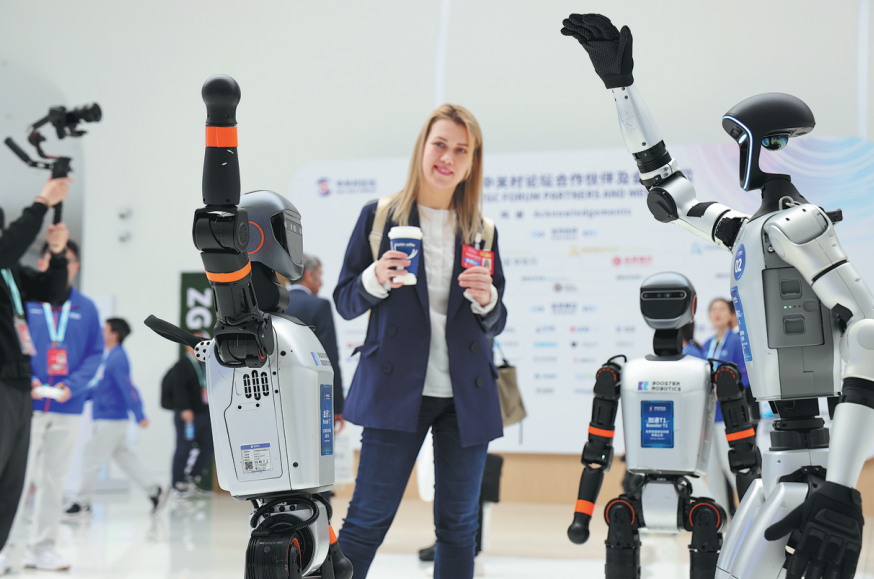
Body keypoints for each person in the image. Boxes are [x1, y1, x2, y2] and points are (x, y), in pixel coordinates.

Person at [333, 104, 507, 579]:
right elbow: (346, 301)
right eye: (440, 144)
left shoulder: (482, 231)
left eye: (460, 150)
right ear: (422, 148)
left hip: (464, 397)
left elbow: (496, 321)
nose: (447, 158)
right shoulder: (379, 217)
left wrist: (488, 300)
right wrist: (375, 276)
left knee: (458, 527)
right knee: (367, 520)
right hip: (395, 390)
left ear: (472, 162)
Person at [0, 238, 104, 572]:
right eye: (52, 258)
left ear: (75, 266)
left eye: (68, 259)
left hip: (66, 405)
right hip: (25, 403)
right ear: (42, 263)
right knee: (14, 479)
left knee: (53, 480)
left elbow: (94, 354)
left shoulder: (86, 308)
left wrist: (70, 387)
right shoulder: (27, 299)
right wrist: (25, 379)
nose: (60, 264)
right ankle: (5, 547)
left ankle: (42, 547)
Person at [0, 178, 70, 574]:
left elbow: (53, 292)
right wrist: (43, 202)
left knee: (12, 480)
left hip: (18, 383)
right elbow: (8, 245)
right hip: (1, 385)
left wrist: (57, 255)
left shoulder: (10, 273)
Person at [64, 318, 168, 519]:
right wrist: (74, 397)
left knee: (91, 458)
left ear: (115, 334)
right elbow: (102, 388)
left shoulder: (118, 358)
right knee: (125, 458)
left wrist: (140, 415)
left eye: (105, 329)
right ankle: (154, 490)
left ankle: (81, 503)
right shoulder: (111, 357)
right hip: (111, 418)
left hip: (110, 419)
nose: (101, 333)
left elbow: (127, 387)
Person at [284, 253, 345, 433]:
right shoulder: (319, 306)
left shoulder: (272, 306)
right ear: (310, 275)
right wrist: (336, 406)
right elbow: (329, 357)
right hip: (312, 396)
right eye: (321, 274)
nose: (322, 282)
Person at [700, 297, 749, 511]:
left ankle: (749, 513)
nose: (717, 313)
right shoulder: (706, 346)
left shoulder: (737, 341)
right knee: (712, 470)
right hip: (709, 417)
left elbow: (747, 375)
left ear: (731, 314)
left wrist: (727, 390)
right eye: (713, 309)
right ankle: (721, 520)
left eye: (722, 309)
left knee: (733, 467)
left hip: (729, 417)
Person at [163, 332, 215, 497]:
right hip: (188, 415)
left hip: (203, 414)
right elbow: (178, 388)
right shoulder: (182, 364)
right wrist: (185, 408)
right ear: (187, 345)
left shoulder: (204, 364)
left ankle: (192, 480)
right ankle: (177, 483)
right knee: (184, 448)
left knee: (209, 446)